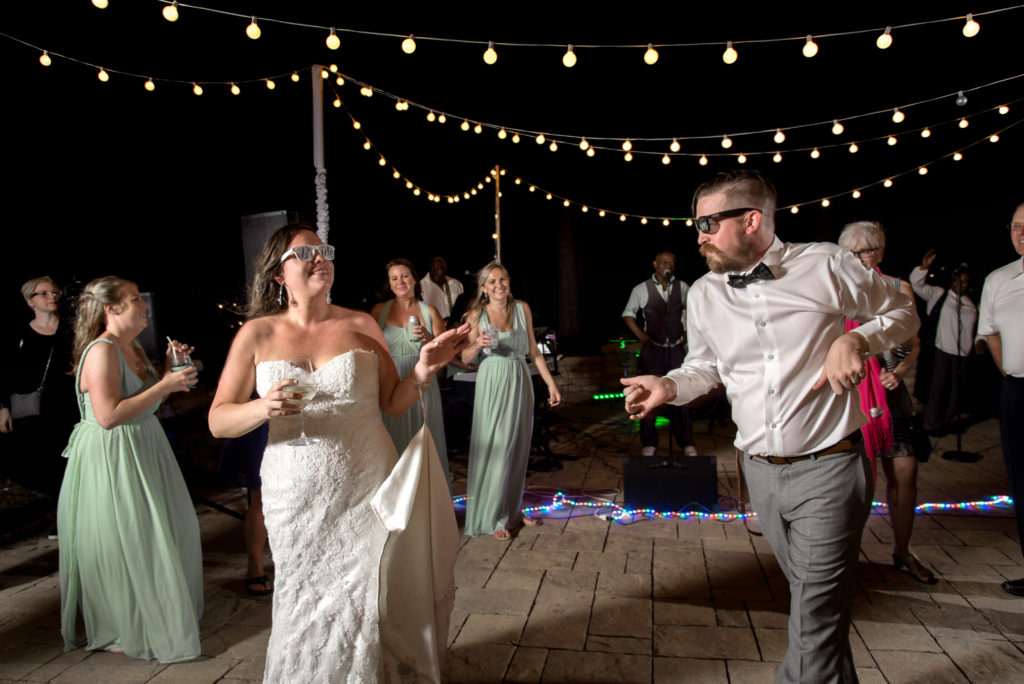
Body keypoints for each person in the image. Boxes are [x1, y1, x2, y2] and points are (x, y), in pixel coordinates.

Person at [621, 171, 918, 684]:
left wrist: (857, 342)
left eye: (709, 223)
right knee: (815, 613)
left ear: (752, 220)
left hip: (830, 466)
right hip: (758, 473)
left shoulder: (825, 264)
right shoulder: (706, 295)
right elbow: (705, 368)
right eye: (697, 225)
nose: (699, 236)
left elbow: (902, 308)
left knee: (814, 619)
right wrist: (669, 387)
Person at [208, 225, 469, 681]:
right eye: (303, 252)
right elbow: (217, 420)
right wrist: (261, 406)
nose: (318, 257)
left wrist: (425, 369)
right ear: (278, 274)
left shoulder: (360, 324)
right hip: (295, 493)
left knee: (370, 593)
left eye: (323, 249)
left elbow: (393, 400)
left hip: (368, 484)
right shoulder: (257, 334)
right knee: (305, 596)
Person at [58, 276, 203, 662]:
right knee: (125, 538)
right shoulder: (101, 351)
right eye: (135, 299)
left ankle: (152, 611)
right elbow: (107, 417)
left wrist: (170, 368)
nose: (144, 304)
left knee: (163, 529)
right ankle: (122, 625)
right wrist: (165, 386)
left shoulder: (131, 346)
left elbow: (140, 395)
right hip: (113, 453)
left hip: (144, 445)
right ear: (111, 309)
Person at [838, 221, 936, 584]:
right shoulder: (836, 293)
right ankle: (843, 560)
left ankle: (903, 551)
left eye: (867, 251)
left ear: (880, 252)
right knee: (853, 482)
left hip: (889, 391)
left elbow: (915, 344)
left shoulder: (899, 288)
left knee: (905, 471)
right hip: (850, 392)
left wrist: (900, 370)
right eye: (853, 252)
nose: (860, 258)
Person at [460, 261, 561, 539]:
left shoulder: (522, 309)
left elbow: (534, 352)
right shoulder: (475, 315)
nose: (499, 285)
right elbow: (464, 358)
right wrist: (477, 346)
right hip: (492, 379)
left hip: (519, 378)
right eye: (492, 282)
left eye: (503, 280)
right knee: (497, 446)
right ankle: (493, 516)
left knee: (517, 446)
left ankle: (512, 511)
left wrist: (551, 383)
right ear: (483, 288)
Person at [371, 258, 452, 492]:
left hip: (422, 387)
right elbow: (369, 350)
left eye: (405, 276)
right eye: (394, 278)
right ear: (389, 283)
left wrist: (429, 338)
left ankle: (429, 507)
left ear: (415, 279)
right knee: (392, 446)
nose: (400, 282)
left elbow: (446, 353)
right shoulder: (379, 311)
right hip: (389, 386)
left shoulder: (430, 312)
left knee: (425, 445)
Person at [977, 204, 1024, 597]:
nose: (1022, 233)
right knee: (1021, 479)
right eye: (1016, 226)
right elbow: (990, 332)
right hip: (1018, 391)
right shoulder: (999, 279)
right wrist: (1008, 372)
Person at [0, 277, 77, 515]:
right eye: (42, 293)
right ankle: (61, 510)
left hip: (69, 405)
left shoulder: (71, 329)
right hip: (36, 410)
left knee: (70, 460)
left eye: (54, 292)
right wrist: (3, 407)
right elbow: (4, 372)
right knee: (43, 462)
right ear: (29, 301)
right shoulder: (19, 334)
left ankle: (69, 515)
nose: (51, 296)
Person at [622, 251, 697, 457]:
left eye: (672, 263)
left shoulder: (682, 287)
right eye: (665, 262)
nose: (669, 266)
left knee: (681, 394)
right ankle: (649, 443)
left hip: (675, 350)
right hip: (653, 351)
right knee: (648, 394)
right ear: (655, 264)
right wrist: (641, 335)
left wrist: (688, 335)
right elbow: (628, 314)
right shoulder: (641, 289)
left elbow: (694, 313)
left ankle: (686, 442)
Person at [909, 252, 977, 435]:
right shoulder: (938, 295)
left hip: (962, 353)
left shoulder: (970, 304)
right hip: (941, 349)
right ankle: (932, 424)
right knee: (937, 388)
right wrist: (924, 268)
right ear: (952, 280)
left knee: (956, 391)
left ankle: (949, 421)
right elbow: (916, 284)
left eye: (964, 281)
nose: (960, 284)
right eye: (958, 280)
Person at [420, 256, 464, 324]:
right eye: (434, 269)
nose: (438, 272)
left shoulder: (456, 284)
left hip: (455, 326)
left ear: (445, 269)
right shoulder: (420, 287)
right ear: (429, 268)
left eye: (441, 268)